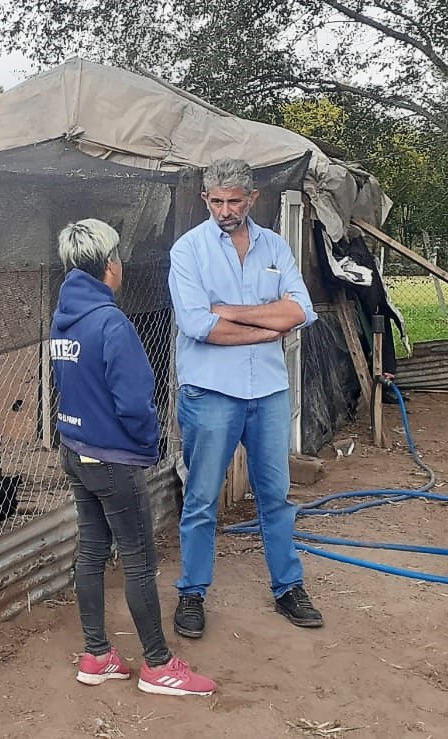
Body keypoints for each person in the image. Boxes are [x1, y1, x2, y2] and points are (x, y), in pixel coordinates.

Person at [51, 218, 216, 697]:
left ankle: (97, 654)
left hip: (75, 451)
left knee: (92, 551)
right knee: (140, 562)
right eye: (119, 257)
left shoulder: (65, 318)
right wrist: (149, 446)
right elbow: (135, 400)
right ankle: (159, 665)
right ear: (110, 265)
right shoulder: (111, 323)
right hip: (113, 459)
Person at [168, 158, 323, 638]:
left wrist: (232, 313)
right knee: (201, 498)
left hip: (268, 391)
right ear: (205, 199)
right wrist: (266, 325)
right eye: (216, 201)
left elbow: (301, 310)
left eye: (235, 200)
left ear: (253, 199)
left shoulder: (275, 245)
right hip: (211, 392)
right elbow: (198, 326)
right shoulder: (188, 250)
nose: (225, 210)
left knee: (275, 496)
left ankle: (287, 587)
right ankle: (192, 593)